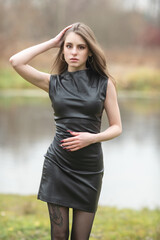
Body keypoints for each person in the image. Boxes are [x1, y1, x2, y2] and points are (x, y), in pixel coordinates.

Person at [9, 22, 122, 240]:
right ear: (62, 49)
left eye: (81, 47)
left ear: (90, 51)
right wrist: (52, 42)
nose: (73, 52)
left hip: (89, 169)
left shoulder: (104, 84)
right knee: (58, 235)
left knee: (81, 237)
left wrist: (93, 138)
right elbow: (16, 61)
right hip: (58, 165)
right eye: (68, 46)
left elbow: (117, 127)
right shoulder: (53, 83)